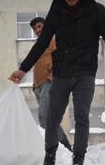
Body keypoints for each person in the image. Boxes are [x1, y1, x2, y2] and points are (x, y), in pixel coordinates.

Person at [9, 0, 105, 165]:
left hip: (85, 73)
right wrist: (23, 68)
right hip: (62, 73)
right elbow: (42, 43)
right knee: (53, 117)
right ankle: (50, 158)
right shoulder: (56, 13)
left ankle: (78, 161)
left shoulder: (97, 12)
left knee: (82, 116)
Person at [29, 16, 73, 153]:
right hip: (38, 86)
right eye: (35, 28)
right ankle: (64, 148)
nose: (37, 30)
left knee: (43, 117)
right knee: (49, 119)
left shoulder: (53, 40)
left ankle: (60, 147)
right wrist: (35, 85)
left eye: (39, 26)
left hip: (49, 83)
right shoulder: (38, 45)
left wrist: (51, 77)